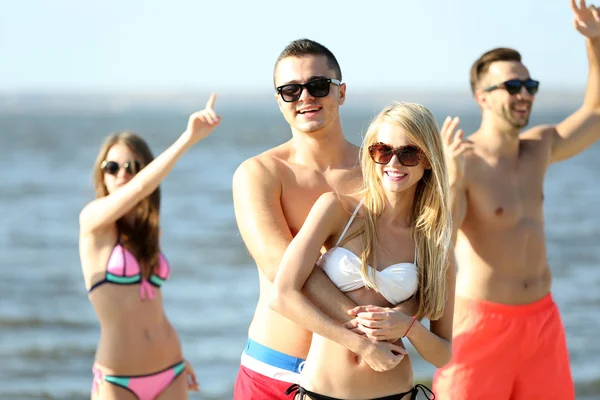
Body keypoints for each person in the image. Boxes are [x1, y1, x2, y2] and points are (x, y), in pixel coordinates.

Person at [231, 39, 454, 400]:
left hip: (368, 384)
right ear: (279, 100)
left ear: (341, 92)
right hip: (274, 369)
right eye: (290, 90)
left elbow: (423, 260)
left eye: (318, 86)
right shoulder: (259, 174)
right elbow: (281, 271)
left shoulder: (383, 167)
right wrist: (370, 328)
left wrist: (406, 315)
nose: (305, 96)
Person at [429, 1, 600, 399]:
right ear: (482, 97)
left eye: (530, 86)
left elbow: (595, 111)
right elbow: (440, 242)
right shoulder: (463, 159)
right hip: (480, 327)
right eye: (511, 86)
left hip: (543, 322)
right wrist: (452, 180)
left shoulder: (539, 148)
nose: (524, 94)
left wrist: (594, 42)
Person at [270, 102, 455, 400]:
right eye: (383, 151)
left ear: (429, 160)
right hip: (321, 392)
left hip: (395, 393)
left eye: (409, 153)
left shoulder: (433, 242)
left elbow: (443, 354)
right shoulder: (336, 209)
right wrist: (362, 346)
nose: (393, 164)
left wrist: (409, 327)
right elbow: (282, 296)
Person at [79, 94, 219, 400]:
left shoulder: (145, 230)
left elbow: (151, 307)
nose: (122, 174)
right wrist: (189, 137)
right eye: (112, 166)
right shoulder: (92, 222)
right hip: (118, 379)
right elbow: (142, 186)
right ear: (101, 173)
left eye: (132, 166)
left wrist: (179, 363)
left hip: (170, 370)